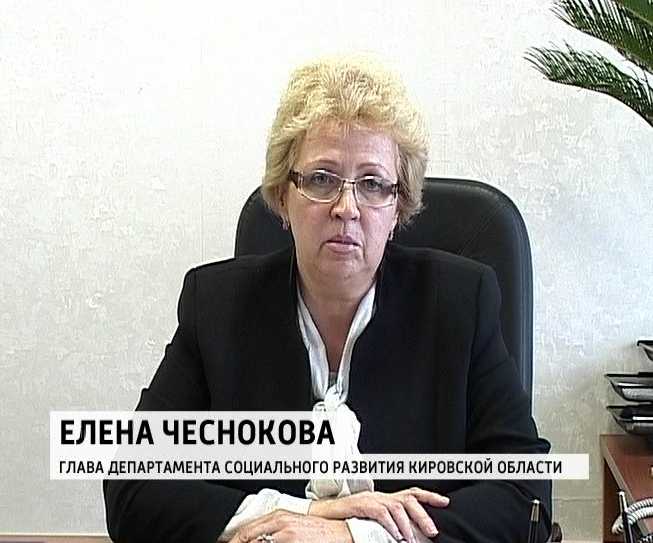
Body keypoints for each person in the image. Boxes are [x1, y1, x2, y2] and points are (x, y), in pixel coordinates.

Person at [103, 56, 552, 543]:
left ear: (398, 207)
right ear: (282, 195)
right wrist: (304, 513)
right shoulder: (215, 306)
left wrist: (355, 535)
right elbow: (132, 485)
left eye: (373, 184)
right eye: (321, 179)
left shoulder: (462, 303)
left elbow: (525, 492)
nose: (346, 208)